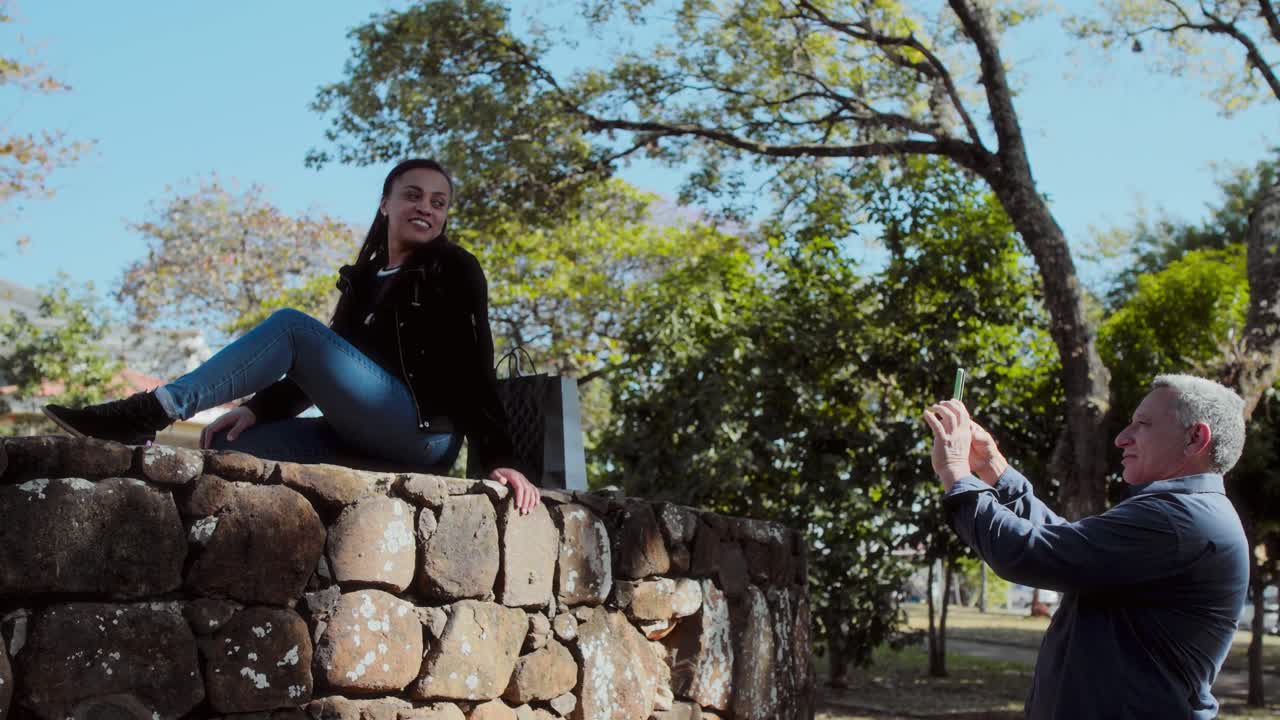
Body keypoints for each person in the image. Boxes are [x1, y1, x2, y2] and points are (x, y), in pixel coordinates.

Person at [44, 158, 540, 513]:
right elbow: (325, 371)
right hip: (364, 435)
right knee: (232, 444)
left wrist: (499, 458)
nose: (426, 208)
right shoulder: (366, 280)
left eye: (438, 202)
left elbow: (476, 362)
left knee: (292, 326)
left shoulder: (453, 268)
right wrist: (257, 409)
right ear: (385, 203)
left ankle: (149, 411)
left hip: (422, 435)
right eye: (413, 195)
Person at [922, 374, 1249, 719]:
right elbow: (1066, 545)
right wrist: (993, 468)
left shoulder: (1179, 519)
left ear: (1195, 438)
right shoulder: (1185, 512)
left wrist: (955, 472)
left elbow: (1029, 553)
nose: (1122, 438)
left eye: (1143, 424)